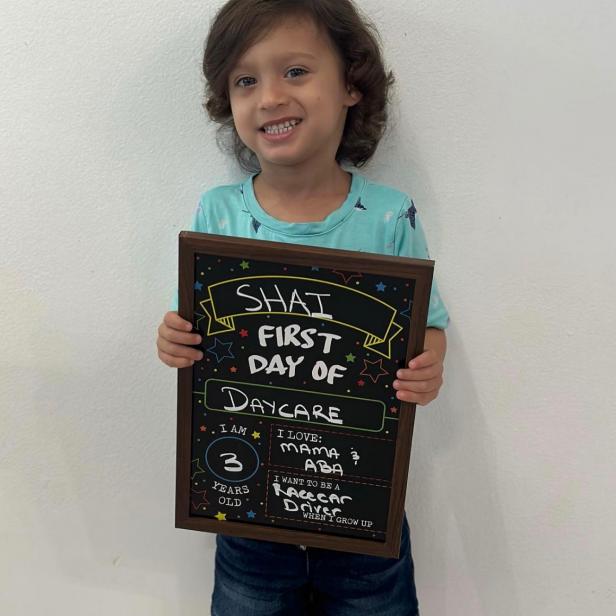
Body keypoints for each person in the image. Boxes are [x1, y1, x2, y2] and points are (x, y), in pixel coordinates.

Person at [156, 1, 449, 613]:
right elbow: (196, 329)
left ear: (350, 85)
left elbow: (427, 325)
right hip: (248, 506)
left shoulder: (392, 215)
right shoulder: (219, 214)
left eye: (295, 71)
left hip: (362, 507)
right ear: (227, 102)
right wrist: (174, 340)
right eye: (245, 80)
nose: (269, 97)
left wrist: (428, 367)